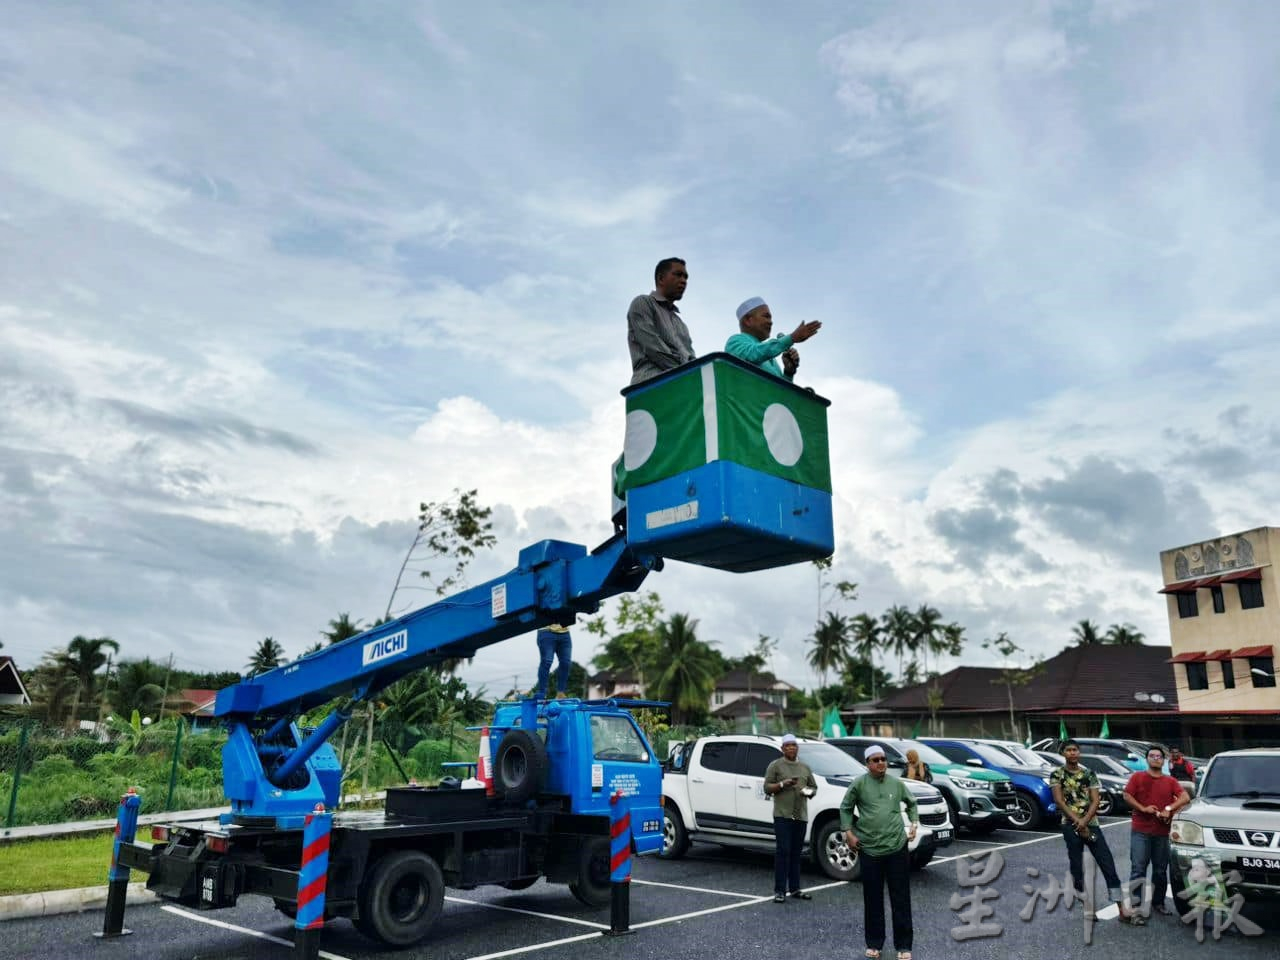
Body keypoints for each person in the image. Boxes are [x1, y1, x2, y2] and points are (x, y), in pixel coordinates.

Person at [840, 745, 919, 960]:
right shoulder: (859, 784)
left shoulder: (896, 783)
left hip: (896, 847)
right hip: (869, 849)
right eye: (875, 760)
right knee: (873, 899)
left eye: (883, 759)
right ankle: (874, 944)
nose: (881, 763)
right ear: (868, 763)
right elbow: (845, 808)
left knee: (900, 897)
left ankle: (904, 946)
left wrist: (913, 823)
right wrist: (848, 832)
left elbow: (911, 803)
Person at [1049, 740, 1137, 923]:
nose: (1072, 753)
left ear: (1079, 753)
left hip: (1092, 823)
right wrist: (1077, 822)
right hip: (1069, 824)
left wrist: (1085, 822)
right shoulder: (1057, 774)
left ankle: (1122, 909)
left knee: (1108, 864)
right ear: (1063, 753)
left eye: (1075, 750)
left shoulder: (1089, 774)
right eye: (1068, 750)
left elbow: (1096, 800)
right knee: (1077, 868)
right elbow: (1059, 801)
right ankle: (1087, 908)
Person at [1122, 746, 1190, 919]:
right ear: (1147, 760)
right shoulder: (1138, 777)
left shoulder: (1170, 781)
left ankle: (1158, 902)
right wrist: (1143, 808)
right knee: (1138, 869)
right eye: (1151, 756)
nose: (1155, 758)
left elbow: (1185, 797)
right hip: (1141, 830)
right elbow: (1127, 796)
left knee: (1160, 870)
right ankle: (1135, 904)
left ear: (1164, 760)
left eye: (1159, 756)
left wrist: (1169, 809)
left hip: (1161, 831)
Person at [763, 734, 817, 903]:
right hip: (783, 815)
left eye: (794, 745)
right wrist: (781, 784)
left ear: (797, 748)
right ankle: (780, 890)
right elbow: (766, 788)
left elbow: (813, 787)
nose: (791, 748)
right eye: (787, 745)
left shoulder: (805, 767)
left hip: (800, 815)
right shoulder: (776, 765)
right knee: (783, 851)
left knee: (796, 853)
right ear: (782, 749)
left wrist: (807, 792)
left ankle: (795, 889)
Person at [627, 258, 695, 385]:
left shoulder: (680, 323)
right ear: (661, 279)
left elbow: (690, 357)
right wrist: (689, 375)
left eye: (686, 277)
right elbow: (654, 348)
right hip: (650, 385)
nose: (683, 281)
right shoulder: (643, 303)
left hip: (680, 386)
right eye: (678, 275)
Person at [724, 297, 821, 381]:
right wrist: (792, 338)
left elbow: (781, 395)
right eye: (766, 316)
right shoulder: (735, 341)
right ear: (748, 320)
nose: (771, 322)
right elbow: (754, 354)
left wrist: (788, 373)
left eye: (770, 318)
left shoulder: (772, 360)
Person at [535, 621, 572, 700]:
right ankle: (542, 693)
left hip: (564, 632)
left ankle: (560, 693)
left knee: (566, 662)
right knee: (547, 661)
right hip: (546, 631)